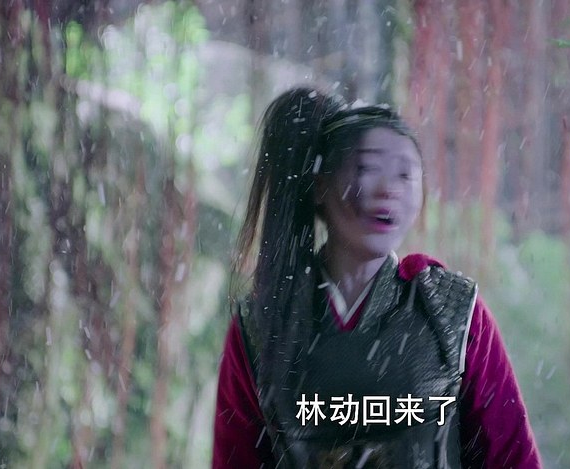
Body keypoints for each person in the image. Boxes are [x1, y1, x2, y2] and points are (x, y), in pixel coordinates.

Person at [212, 87, 542, 468]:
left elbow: (513, 457)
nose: (390, 190)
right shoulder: (260, 327)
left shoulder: (453, 313)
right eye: (368, 169)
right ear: (319, 185)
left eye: (405, 173)